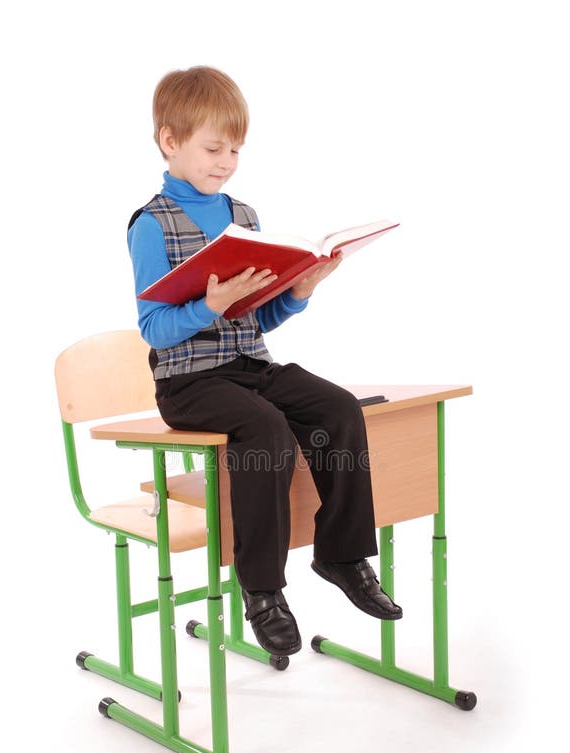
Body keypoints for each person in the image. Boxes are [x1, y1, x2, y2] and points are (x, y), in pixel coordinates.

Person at [127, 66, 402, 658]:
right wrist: (208, 304)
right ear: (169, 141)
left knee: (336, 407)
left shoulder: (243, 216)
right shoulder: (151, 225)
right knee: (266, 429)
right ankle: (263, 590)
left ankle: (343, 555)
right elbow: (154, 328)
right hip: (187, 381)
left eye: (234, 149)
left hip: (250, 366)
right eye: (212, 147)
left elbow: (257, 319)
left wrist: (299, 291)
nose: (225, 161)